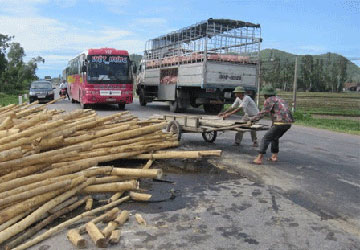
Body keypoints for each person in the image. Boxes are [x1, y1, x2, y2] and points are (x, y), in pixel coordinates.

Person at [250, 85, 294, 165]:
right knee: (275, 138)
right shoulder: (280, 99)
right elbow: (279, 112)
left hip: (280, 123)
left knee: (266, 138)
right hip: (288, 123)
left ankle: (259, 158)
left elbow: (264, 112)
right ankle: (274, 156)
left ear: (265, 95)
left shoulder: (269, 100)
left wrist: (252, 120)